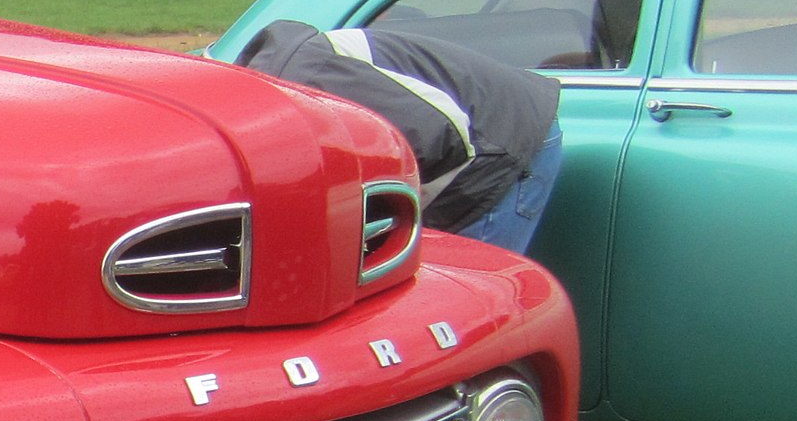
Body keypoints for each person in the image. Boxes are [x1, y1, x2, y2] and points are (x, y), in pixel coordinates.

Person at [236, 19, 566, 252]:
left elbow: (443, 141)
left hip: (498, 143)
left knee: (463, 304)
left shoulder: (318, 91)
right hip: (462, 132)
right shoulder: (269, 95)